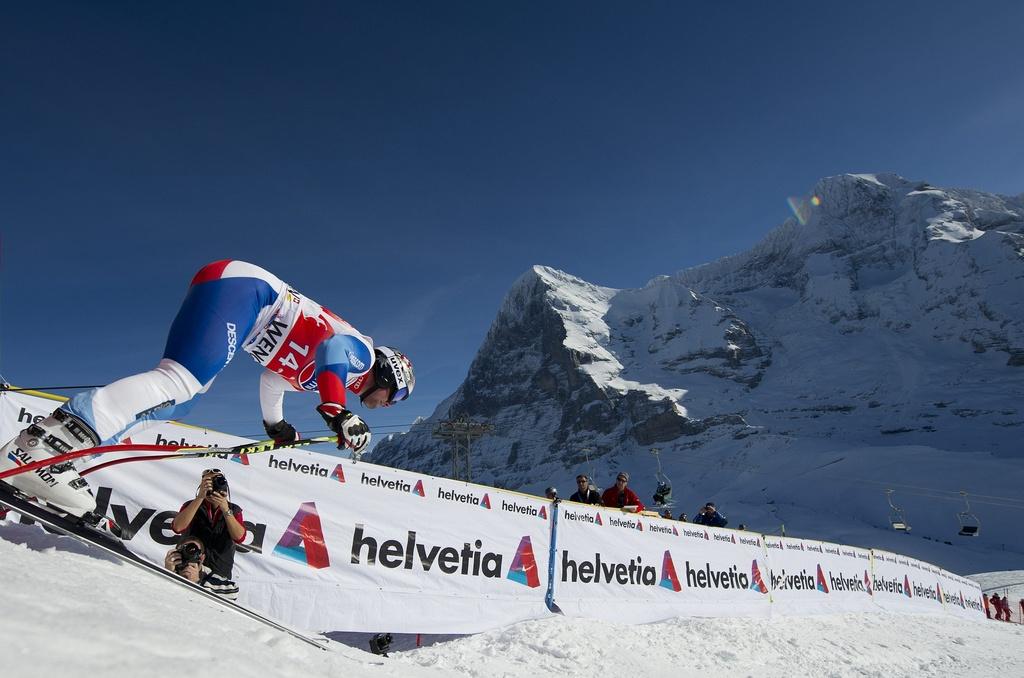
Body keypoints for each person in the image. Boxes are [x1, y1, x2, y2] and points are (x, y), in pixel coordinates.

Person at [0, 260, 415, 520]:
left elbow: (274, 379)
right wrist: (338, 411)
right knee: (180, 379)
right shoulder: (359, 353)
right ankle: (44, 447)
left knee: (173, 403)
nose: (385, 406)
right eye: (394, 397)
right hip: (248, 293)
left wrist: (277, 424)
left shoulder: (330, 375)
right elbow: (334, 348)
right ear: (388, 375)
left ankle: (61, 456)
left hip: (235, 296)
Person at [170, 469, 245, 598]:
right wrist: (200, 498)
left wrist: (225, 508)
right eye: (208, 482)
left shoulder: (233, 510)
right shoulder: (191, 505)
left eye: (217, 481)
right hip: (190, 564)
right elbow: (177, 527)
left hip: (219, 570)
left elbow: (239, 537)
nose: (213, 486)